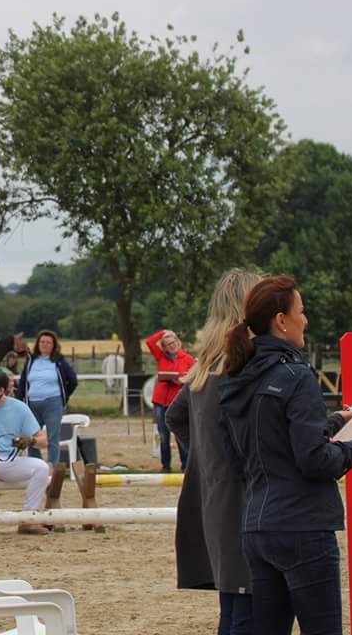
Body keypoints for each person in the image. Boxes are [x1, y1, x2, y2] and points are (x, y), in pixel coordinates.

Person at [219, 276, 352, 634]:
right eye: (302, 311)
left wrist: (336, 420)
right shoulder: (296, 376)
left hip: (257, 527)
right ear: (281, 320)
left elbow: (247, 451)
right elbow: (314, 460)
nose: (306, 320)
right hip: (304, 527)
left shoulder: (235, 377)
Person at [164, 269, 262, 635]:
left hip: (211, 497)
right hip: (244, 500)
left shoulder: (206, 364)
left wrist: (206, 456)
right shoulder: (241, 363)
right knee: (248, 610)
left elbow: (175, 417)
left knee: (233, 607)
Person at [0, 366, 50, 535]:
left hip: (10, 461)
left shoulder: (20, 408)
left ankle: (28, 519)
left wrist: (31, 441)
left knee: (41, 468)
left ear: (1, 391)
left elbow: (44, 441)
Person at [15, 330, 78, 468]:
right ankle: (36, 466)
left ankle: (52, 467)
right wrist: (20, 402)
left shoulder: (59, 361)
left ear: (54, 345)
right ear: (38, 344)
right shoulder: (31, 360)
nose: (45, 344)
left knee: (52, 437)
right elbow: (23, 381)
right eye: (42, 342)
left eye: (48, 342)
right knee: (32, 437)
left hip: (53, 403)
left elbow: (73, 380)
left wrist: (63, 397)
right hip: (32, 404)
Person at [146, 328, 195, 472]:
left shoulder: (188, 359)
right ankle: (165, 466)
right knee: (163, 435)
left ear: (178, 342)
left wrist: (182, 381)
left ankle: (186, 466)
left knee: (180, 434)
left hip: (178, 402)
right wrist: (163, 332)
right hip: (160, 402)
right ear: (164, 347)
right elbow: (149, 342)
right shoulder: (160, 356)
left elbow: (193, 378)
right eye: (168, 344)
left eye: (173, 342)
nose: (172, 345)